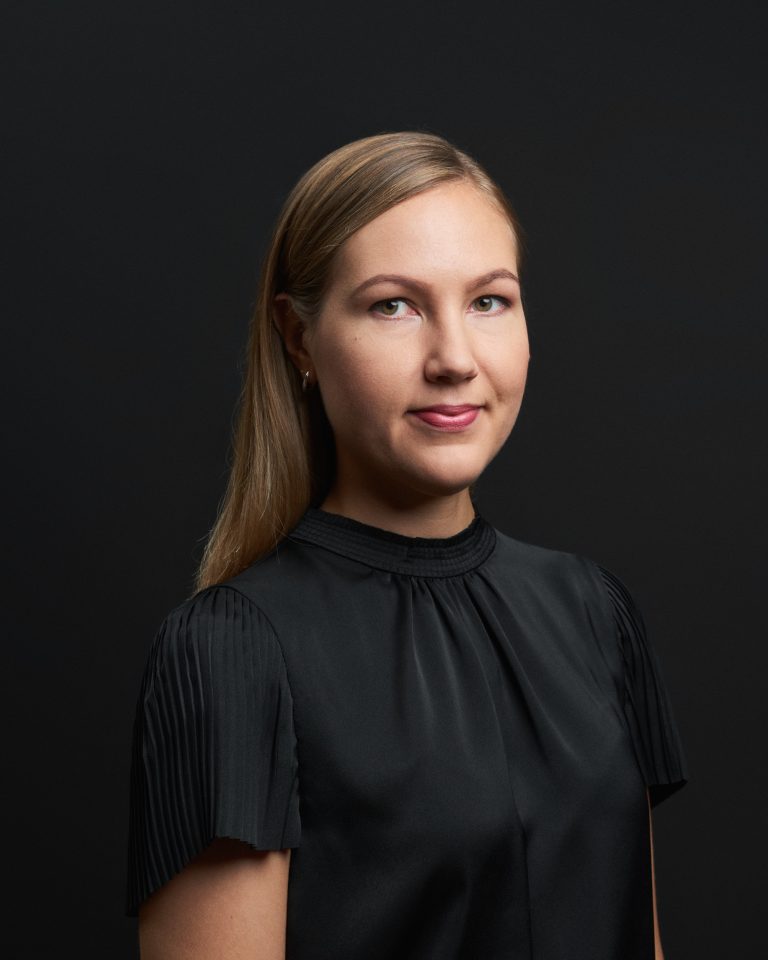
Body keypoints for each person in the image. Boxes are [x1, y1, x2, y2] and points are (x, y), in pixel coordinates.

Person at [124, 130, 688, 959]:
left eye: (489, 301)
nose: (455, 359)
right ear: (298, 338)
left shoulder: (596, 614)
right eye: (394, 305)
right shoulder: (230, 654)